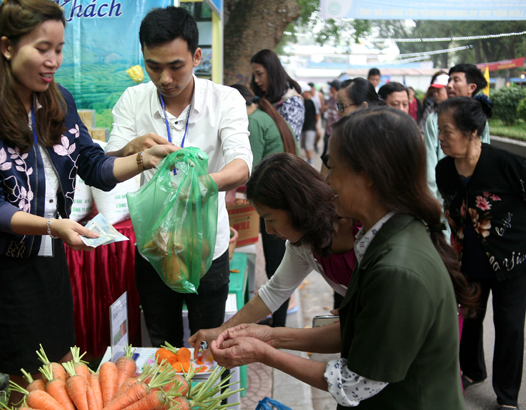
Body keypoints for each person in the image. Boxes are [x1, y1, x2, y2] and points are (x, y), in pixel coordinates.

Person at [0, 0, 179, 396]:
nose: (53, 60)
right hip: (6, 269)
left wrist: (141, 158)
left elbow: (93, 166)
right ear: (6, 47)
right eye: (42, 48)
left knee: (58, 372)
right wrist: (52, 226)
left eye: (59, 48)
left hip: (51, 263)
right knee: (26, 384)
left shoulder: (58, 101)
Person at [210, 106, 476, 409]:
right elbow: (354, 330)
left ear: (369, 175)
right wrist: (268, 337)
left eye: (334, 168)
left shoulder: (396, 269)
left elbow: (354, 382)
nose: (329, 182)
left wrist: (263, 352)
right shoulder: (379, 239)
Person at [105, 6, 253, 348]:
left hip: (206, 249)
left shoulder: (225, 100)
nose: (165, 79)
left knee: (209, 342)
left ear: (197, 56)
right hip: (153, 249)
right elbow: (108, 161)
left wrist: (201, 184)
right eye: (153, 67)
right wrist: (135, 148)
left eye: (176, 66)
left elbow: (242, 164)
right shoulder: (134, 99)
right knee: (162, 342)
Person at [189, 153, 357, 353]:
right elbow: (274, 292)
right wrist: (222, 330)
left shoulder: (361, 226)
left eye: (271, 219)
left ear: (296, 207)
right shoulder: (301, 244)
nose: (268, 231)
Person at [436, 96, 526, 410]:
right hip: (468, 260)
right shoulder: (444, 170)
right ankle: (472, 372)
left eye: (447, 131)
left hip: (511, 261)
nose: (441, 138)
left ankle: (507, 396)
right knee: (470, 319)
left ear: (473, 131)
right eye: (440, 131)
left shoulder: (506, 164)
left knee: (510, 327)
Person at [228, 84, 298, 328]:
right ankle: (277, 321)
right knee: (277, 262)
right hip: (282, 197)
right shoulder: (264, 115)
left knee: (276, 266)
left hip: (277, 200)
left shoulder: (254, 121)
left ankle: (278, 326)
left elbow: (248, 167)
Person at [424, 63, 489, 204]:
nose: (449, 85)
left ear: (471, 88)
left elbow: (485, 157)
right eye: (449, 80)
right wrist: (434, 202)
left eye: (456, 80)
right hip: (444, 201)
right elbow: (430, 164)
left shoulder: (481, 120)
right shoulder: (434, 118)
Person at [319, 77, 380, 179]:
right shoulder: (336, 140)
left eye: (342, 106)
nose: (339, 112)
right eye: (338, 106)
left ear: (363, 107)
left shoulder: (383, 142)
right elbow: (323, 179)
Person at [250, 49, 305, 141]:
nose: (256, 80)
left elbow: (290, 140)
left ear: (272, 71)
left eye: (259, 74)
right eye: (254, 75)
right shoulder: (262, 97)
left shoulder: (292, 101)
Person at [300, 83, 319, 165]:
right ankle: (309, 158)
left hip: (310, 126)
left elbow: (317, 114)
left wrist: (315, 124)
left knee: (308, 144)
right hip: (303, 126)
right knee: (304, 144)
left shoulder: (314, 101)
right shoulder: (302, 101)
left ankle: (310, 160)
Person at [321, 79, 340, 156]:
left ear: (333, 88)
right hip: (328, 131)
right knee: (325, 155)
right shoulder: (330, 100)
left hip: (335, 133)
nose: (329, 88)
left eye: (330, 87)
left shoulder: (340, 101)